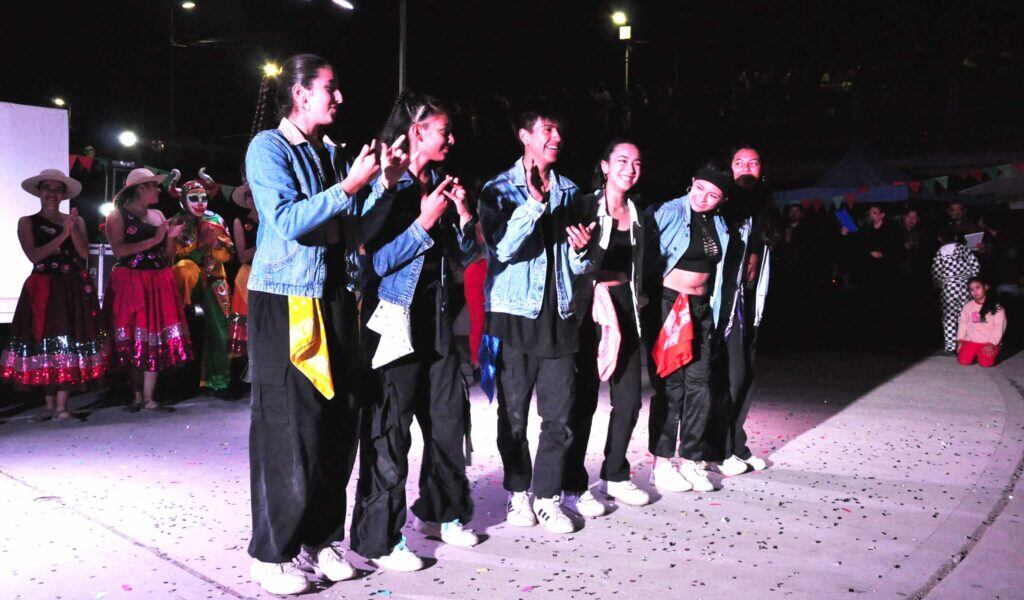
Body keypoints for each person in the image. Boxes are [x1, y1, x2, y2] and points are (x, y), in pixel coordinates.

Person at [243, 53, 405, 595]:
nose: (339, 98)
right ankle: (272, 553)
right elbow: (286, 220)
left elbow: (354, 234)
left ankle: (320, 539)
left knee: (336, 424)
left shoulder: (332, 152)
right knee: (289, 428)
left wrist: (383, 183)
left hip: (336, 296)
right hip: (287, 299)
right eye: (330, 89)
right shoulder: (269, 148)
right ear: (300, 94)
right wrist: (350, 187)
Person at [351, 93, 479, 570]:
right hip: (393, 321)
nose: (452, 138)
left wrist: (462, 217)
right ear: (417, 131)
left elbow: (464, 258)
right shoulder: (387, 187)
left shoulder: (439, 183)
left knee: (448, 422)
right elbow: (373, 263)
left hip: (438, 322)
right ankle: (379, 539)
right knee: (391, 430)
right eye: (444, 130)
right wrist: (424, 223)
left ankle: (441, 512)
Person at [478, 105, 594, 534]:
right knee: (513, 416)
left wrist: (582, 252)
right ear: (525, 136)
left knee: (559, 417)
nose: (556, 138)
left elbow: (580, 266)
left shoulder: (571, 190)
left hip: (559, 317)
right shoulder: (497, 190)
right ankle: (517, 491)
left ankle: (547, 496)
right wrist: (532, 204)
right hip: (512, 317)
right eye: (548, 130)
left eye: (560, 131)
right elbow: (503, 249)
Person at [562, 138, 650, 518]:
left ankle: (615, 474)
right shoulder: (583, 205)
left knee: (628, 399)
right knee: (582, 402)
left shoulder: (638, 213)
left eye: (636, 162)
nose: (629, 168)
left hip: (625, 308)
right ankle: (572, 485)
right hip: (588, 311)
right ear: (604, 165)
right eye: (622, 160)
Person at [646, 163, 736, 493]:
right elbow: (642, 251)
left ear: (721, 200)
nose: (703, 198)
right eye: (700, 188)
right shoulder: (668, 212)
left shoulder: (720, 224)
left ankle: (692, 459)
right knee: (672, 385)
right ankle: (662, 461)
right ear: (692, 182)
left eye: (713, 195)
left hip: (701, 308)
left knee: (700, 383)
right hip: (670, 304)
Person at [1, 169, 109, 420]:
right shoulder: (27, 222)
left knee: (68, 340)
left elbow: (83, 255)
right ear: (39, 192)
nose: (52, 193)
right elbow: (35, 256)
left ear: (63, 195)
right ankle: (49, 405)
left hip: (71, 286)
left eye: (57, 189)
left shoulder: (76, 221)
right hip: (42, 286)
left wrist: (73, 230)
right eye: (47, 188)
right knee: (44, 340)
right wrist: (62, 234)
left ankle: (62, 407)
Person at [711, 147, 776, 477]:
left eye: (754, 161)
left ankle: (737, 445)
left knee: (746, 377)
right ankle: (720, 450)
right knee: (731, 378)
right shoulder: (722, 205)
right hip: (726, 307)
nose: (747, 168)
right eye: (739, 162)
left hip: (752, 305)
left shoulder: (764, 207)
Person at [104, 168, 192, 411]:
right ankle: (136, 395)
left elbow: (167, 256)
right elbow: (119, 251)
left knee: (154, 333)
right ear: (140, 188)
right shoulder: (118, 216)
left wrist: (171, 237)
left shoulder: (157, 214)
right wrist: (154, 239)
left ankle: (149, 396)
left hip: (157, 279)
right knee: (134, 334)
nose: (158, 191)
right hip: (130, 280)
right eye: (154, 186)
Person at [169, 171, 236, 392]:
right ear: (183, 200)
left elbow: (228, 253)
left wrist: (216, 245)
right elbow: (174, 257)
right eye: (194, 198)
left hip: (215, 278)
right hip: (186, 283)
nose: (200, 203)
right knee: (184, 269)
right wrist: (200, 247)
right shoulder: (176, 223)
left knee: (221, 328)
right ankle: (181, 382)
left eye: (204, 198)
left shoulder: (216, 220)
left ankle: (218, 379)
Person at [932, 228, 980, 355]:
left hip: (948, 288)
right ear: (955, 237)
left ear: (940, 239)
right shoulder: (964, 249)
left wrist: (939, 285)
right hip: (965, 286)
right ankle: (971, 343)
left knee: (949, 317)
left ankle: (950, 346)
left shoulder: (940, 252)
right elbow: (975, 266)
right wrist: (971, 280)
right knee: (968, 315)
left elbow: (936, 272)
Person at [228, 183, 257, 357]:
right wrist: (264, 243)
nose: (252, 199)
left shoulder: (272, 218)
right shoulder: (240, 222)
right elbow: (242, 256)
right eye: (249, 195)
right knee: (246, 321)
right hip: (248, 275)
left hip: (272, 273)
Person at [957, 277, 1006, 367]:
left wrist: (991, 343)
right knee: (963, 361)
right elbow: (963, 323)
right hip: (972, 340)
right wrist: (961, 340)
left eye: (978, 287)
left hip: (988, 342)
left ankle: (996, 350)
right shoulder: (968, 306)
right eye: (971, 289)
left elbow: (999, 326)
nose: (975, 291)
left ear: (985, 287)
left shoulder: (996, 307)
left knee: (986, 363)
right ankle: (975, 354)